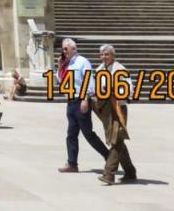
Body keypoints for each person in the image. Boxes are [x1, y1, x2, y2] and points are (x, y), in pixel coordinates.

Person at [57, 37, 108, 172]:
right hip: (70, 102)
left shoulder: (82, 62)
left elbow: (88, 81)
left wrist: (86, 99)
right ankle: (72, 163)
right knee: (71, 134)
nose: (65, 51)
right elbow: (60, 80)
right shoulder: (65, 63)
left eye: (67, 49)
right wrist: (60, 66)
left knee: (88, 134)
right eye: (63, 49)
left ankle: (109, 157)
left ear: (74, 49)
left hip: (81, 101)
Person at [89, 44, 137, 185]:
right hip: (105, 110)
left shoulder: (120, 70)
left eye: (107, 54)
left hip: (118, 108)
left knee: (115, 140)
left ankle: (109, 174)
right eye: (102, 55)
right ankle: (130, 171)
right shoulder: (99, 71)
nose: (104, 57)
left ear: (113, 56)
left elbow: (130, 90)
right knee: (117, 140)